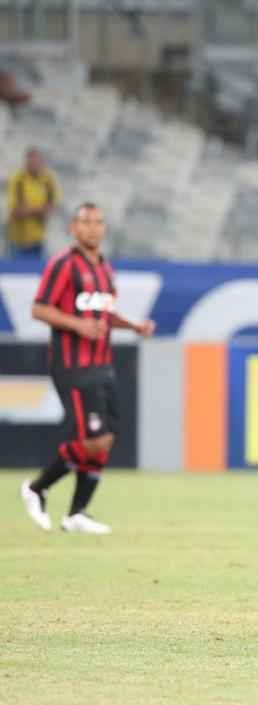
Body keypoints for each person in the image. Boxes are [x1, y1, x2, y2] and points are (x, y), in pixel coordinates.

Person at [19, 203, 155, 534]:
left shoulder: (105, 269)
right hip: (73, 365)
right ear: (73, 228)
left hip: (103, 363)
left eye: (98, 222)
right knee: (92, 440)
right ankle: (37, 488)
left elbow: (103, 315)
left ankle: (76, 513)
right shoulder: (64, 265)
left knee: (105, 440)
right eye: (85, 222)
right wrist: (78, 326)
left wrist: (133, 326)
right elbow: (39, 309)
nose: (92, 228)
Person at [6, 147, 60, 259]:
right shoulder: (18, 180)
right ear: (26, 162)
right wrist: (39, 209)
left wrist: (29, 209)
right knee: (18, 274)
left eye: (37, 161)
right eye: (32, 161)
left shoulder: (47, 180)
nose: (34, 164)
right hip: (18, 240)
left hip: (38, 241)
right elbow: (15, 211)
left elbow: (52, 207)